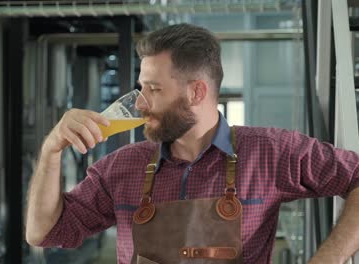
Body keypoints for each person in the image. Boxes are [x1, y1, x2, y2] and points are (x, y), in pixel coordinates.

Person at [25, 23, 359, 263]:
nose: (140, 103)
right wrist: (52, 149)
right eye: (142, 88)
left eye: (154, 90)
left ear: (196, 92)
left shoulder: (268, 152)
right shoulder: (121, 167)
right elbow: (45, 233)